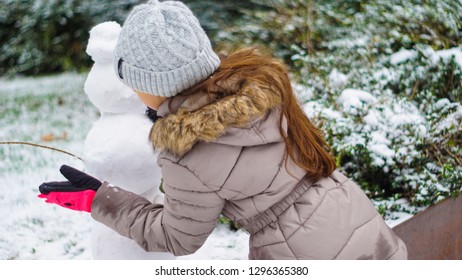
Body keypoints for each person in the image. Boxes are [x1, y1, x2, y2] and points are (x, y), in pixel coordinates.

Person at [38, 0, 407, 259]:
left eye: (133, 82)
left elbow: (177, 236)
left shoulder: (187, 151)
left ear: (154, 85)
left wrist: (100, 200)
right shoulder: (261, 85)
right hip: (358, 221)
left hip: (296, 253)